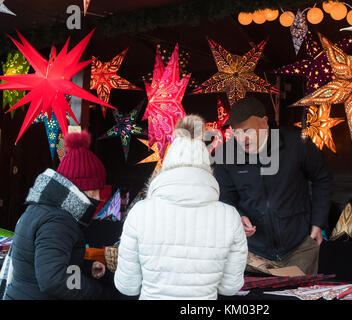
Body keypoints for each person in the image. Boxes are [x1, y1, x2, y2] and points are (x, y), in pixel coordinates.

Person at [114, 115, 248, 300]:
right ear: (206, 165)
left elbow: (127, 286)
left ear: (168, 162)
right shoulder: (229, 216)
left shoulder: (140, 213)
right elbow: (230, 287)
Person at [214, 96, 332, 275]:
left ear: (264, 123)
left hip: (300, 248)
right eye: (236, 133)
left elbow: (322, 177)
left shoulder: (296, 143)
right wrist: (237, 216)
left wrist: (318, 223)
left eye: (247, 131)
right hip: (253, 254)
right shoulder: (225, 155)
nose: (241, 138)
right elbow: (224, 198)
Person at [3, 131, 109, 300]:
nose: (98, 198)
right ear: (80, 190)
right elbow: (53, 279)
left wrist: (86, 268)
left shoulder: (43, 209)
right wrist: (95, 291)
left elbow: (52, 264)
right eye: (94, 191)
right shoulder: (59, 221)